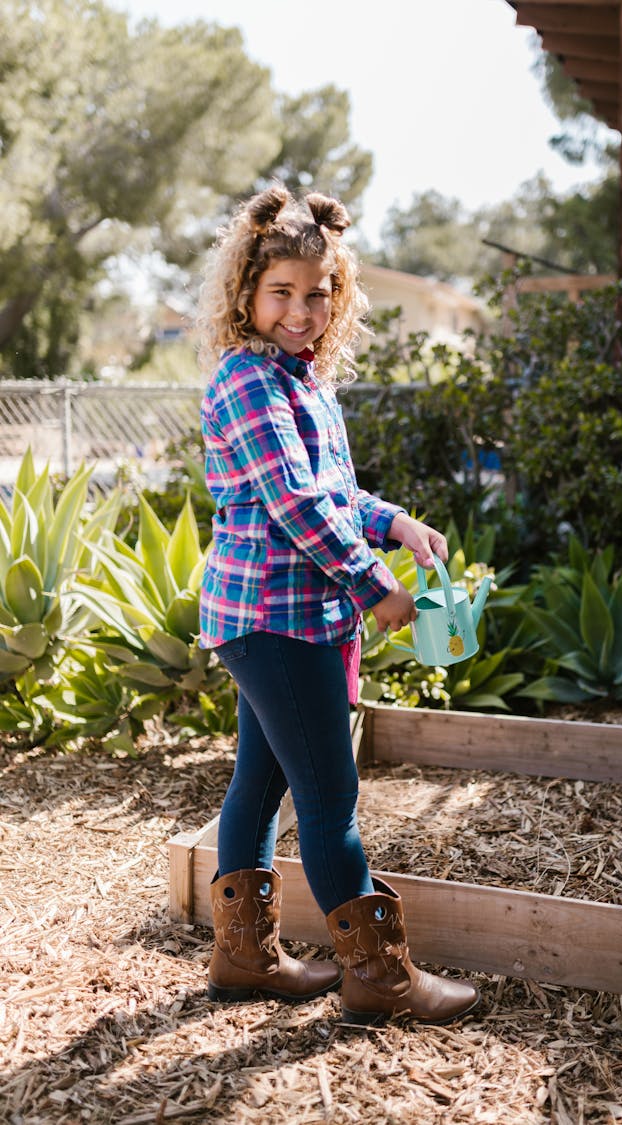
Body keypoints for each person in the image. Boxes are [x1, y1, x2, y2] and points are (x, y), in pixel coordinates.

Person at [195, 183, 478, 1026]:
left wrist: (394, 522)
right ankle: (379, 979)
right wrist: (373, 583)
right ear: (247, 292)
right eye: (281, 291)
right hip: (276, 617)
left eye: (317, 294)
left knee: (261, 779)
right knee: (329, 797)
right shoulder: (248, 380)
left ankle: (244, 957)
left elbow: (337, 493)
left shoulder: (308, 385)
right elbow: (293, 502)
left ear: (336, 296)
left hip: (276, 620)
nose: (301, 310)